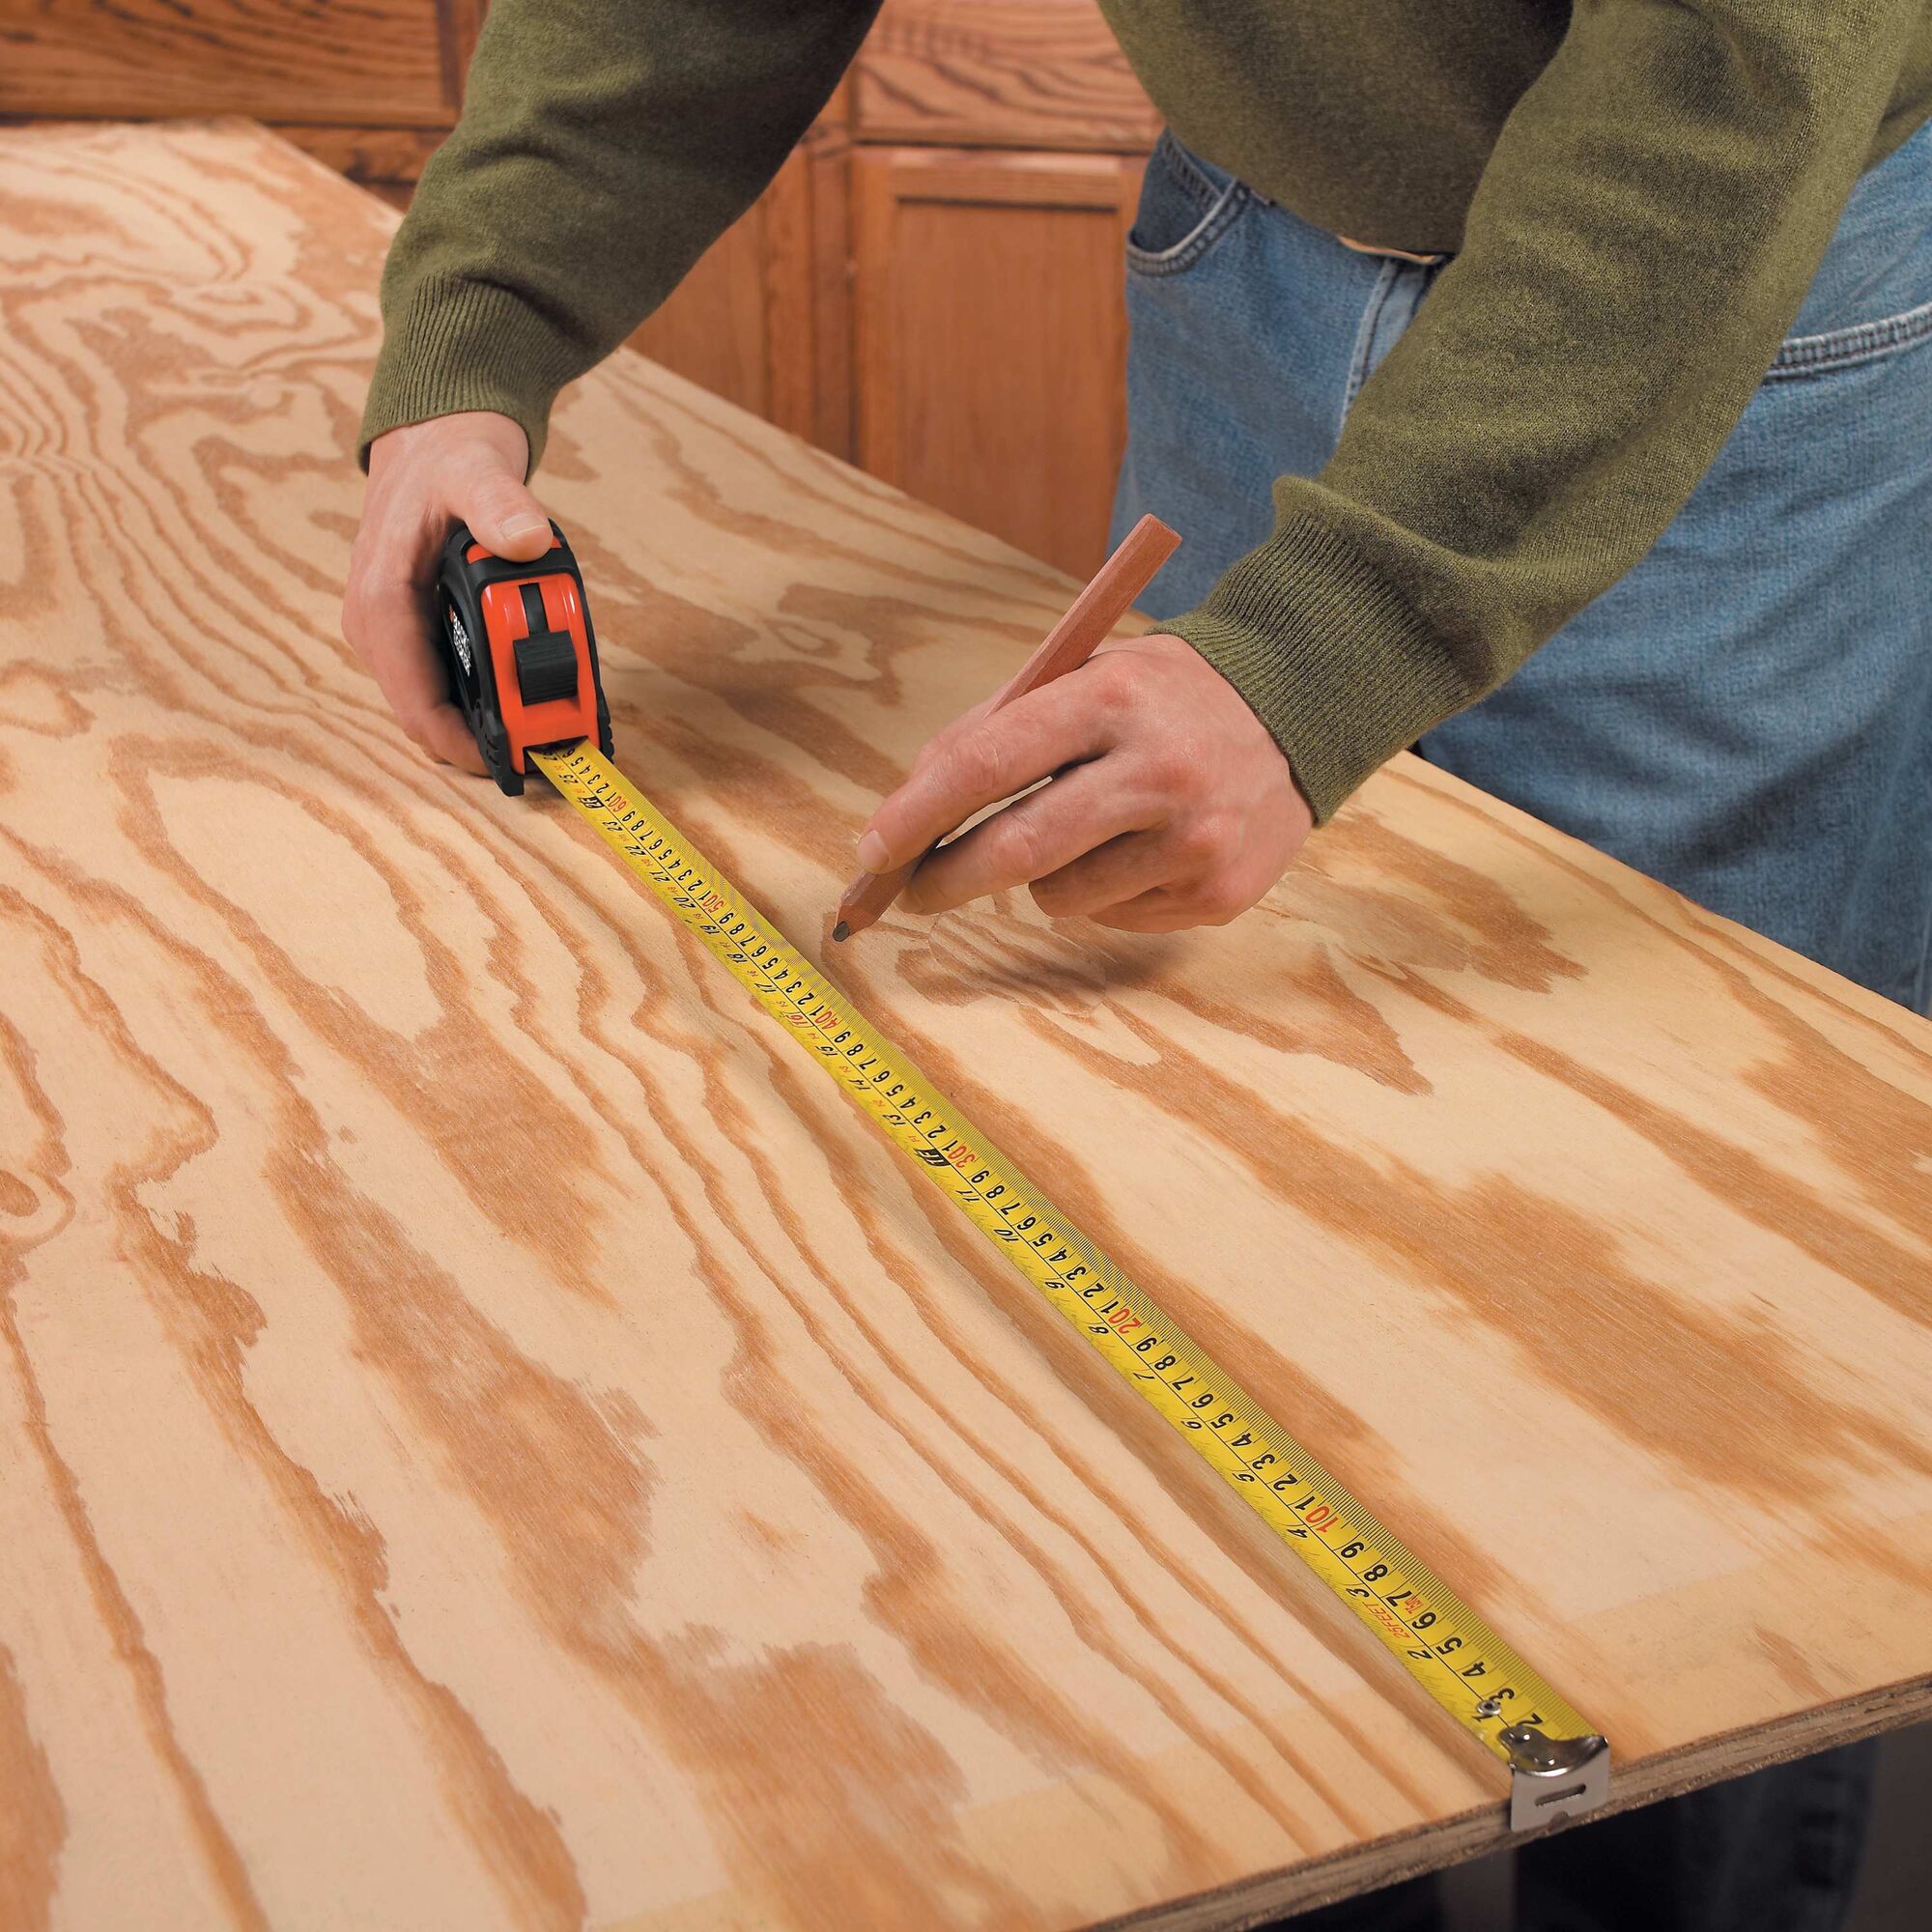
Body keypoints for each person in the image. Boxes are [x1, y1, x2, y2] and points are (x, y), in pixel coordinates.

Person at [343, 7, 1931, 1926]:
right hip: (1248, 257)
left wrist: (1337, 635)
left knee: (1690, 1353)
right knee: (1203, 1249)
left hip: (1722, 286)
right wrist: (475, 340)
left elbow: (1742, 51)